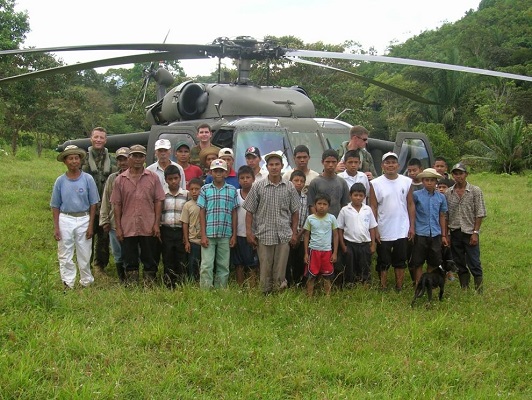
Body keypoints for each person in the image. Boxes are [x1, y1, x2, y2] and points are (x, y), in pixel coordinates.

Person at [243, 151, 300, 294]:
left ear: (282, 166)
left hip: (283, 235)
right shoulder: (258, 186)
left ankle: (278, 295)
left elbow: (295, 212)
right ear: (266, 167)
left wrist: (294, 233)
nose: (274, 167)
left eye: (277, 164)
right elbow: (249, 211)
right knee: (265, 269)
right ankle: (264, 296)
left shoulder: (289, 187)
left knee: (280, 270)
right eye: (271, 165)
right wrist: (249, 232)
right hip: (264, 234)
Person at [111, 145, 166, 284]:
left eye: (140, 156)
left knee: (149, 257)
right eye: (134, 156)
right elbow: (116, 204)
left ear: (145, 158)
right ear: (129, 157)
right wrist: (118, 227)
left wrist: (156, 223)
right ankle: (132, 285)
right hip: (128, 225)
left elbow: (158, 200)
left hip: (148, 225)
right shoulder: (120, 179)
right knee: (130, 258)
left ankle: (150, 284)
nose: (137, 159)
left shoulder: (152, 177)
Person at [51, 145, 99, 290]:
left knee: (84, 252)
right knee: (65, 253)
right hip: (65, 218)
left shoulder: (88, 179)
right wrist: (56, 227)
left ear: (80, 160)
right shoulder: (60, 181)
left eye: (76, 158)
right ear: (65, 161)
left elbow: (93, 204)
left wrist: (91, 225)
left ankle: (86, 281)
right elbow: (55, 205)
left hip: (84, 218)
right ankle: (68, 282)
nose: (74, 161)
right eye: (70, 158)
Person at [370, 152, 415, 291]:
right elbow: (373, 206)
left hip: (402, 228)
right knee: (383, 259)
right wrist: (375, 229)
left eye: (393, 162)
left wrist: (412, 226)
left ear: (398, 165)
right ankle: (383, 286)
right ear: (382, 165)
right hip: (383, 228)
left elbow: (410, 204)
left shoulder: (406, 181)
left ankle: (399, 286)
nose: (390, 165)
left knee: (400, 260)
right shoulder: (375, 183)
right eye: (387, 162)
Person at [445, 163, 487, 292]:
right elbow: (446, 215)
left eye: (461, 173)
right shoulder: (448, 192)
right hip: (455, 231)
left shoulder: (475, 191)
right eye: (455, 174)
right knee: (459, 261)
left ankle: (479, 289)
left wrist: (475, 232)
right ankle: (464, 287)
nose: (458, 176)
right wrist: (447, 234)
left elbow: (479, 213)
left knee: (474, 261)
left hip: (469, 232)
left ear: (466, 174)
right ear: (453, 175)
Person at [197, 159, 238, 289]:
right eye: (215, 171)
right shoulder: (205, 189)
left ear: (226, 173)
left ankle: (221, 290)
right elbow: (202, 212)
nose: (218, 173)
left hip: (225, 233)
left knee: (223, 265)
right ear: (211, 173)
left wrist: (234, 235)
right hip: (209, 233)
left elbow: (234, 213)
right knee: (207, 264)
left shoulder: (232, 190)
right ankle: (205, 290)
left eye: (221, 171)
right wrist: (203, 235)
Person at [81, 126, 117, 273]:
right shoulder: (83, 159)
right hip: (87, 205)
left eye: (101, 137)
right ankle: (85, 264)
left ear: (105, 140)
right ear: (91, 138)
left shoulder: (112, 160)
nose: (98, 140)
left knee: (103, 237)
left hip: (105, 205)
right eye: (96, 137)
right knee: (87, 235)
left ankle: (99, 266)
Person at [410, 168, 449, 284]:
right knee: (418, 261)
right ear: (422, 181)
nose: (429, 183)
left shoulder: (441, 197)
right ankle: (418, 283)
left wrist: (443, 235)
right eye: (427, 180)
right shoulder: (416, 195)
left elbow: (442, 215)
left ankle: (429, 282)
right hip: (420, 232)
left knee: (433, 260)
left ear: (436, 181)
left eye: (432, 180)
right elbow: (411, 212)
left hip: (435, 233)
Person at [337, 183, 377, 286]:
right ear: (350, 196)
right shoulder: (345, 210)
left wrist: (373, 244)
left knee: (365, 265)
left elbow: (372, 227)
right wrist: (343, 245)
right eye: (355, 195)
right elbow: (340, 229)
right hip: (350, 244)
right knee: (350, 266)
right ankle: (350, 285)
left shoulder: (367, 209)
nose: (358, 198)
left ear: (364, 197)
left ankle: (365, 285)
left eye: (361, 196)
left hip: (364, 244)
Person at [99, 146, 130, 282]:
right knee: (117, 253)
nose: (123, 162)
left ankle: (131, 277)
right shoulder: (112, 178)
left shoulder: (138, 176)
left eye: (125, 159)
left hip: (131, 223)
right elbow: (105, 199)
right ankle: (122, 278)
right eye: (120, 160)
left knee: (131, 252)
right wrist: (104, 220)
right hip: (113, 222)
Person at [303, 193, 338, 297]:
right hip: (313, 251)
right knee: (311, 275)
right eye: (319, 203)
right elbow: (306, 236)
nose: (322, 206)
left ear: (328, 206)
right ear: (315, 205)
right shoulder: (310, 218)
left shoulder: (332, 218)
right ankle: (309, 296)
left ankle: (327, 297)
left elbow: (336, 235)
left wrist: (335, 253)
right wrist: (306, 253)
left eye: (325, 204)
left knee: (327, 276)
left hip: (327, 251)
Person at [160, 165, 189, 288]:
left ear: (180, 178)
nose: (173, 181)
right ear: (166, 179)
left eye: (176, 178)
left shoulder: (186, 194)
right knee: (167, 257)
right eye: (170, 179)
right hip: (166, 230)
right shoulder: (162, 195)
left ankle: (181, 283)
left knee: (181, 257)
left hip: (180, 230)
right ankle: (168, 284)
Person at [232, 166, 259, 286]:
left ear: (253, 179)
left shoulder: (257, 193)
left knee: (252, 263)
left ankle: (252, 287)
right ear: (238, 180)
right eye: (242, 178)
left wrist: (255, 233)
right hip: (238, 233)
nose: (245, 180)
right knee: (239, 263)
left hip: (252, 234)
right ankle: (240, 287)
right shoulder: (235, 193)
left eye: (248, 177)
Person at [307, 149, 350, 218]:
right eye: (328, 162)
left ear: (338, 162)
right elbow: (311, 205)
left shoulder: (342, 182)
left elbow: (345, 205)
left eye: (333, 162)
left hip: (337, 223)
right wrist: (318, 220)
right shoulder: (315, 182)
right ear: (322, 162)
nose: (330, 165)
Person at [285, 170, 308, 287]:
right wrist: (291, 234)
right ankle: (288, 283)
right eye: (296, 181)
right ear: (290, 182)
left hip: (301, 236)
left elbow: (307, 219)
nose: (299, 183)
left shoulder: (306, 198)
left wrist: (298, 236)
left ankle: (299, 283)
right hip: (287, 235)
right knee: (287, 261)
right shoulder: (285, 197)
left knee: (299, 261)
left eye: (302, 181)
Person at [181, 178, 203, 282]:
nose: (194, 191)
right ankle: (193, 283)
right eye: (192, 189)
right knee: (193, 264)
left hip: (205, 240)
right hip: (193, 240)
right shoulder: (187, 205)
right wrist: (186, 241)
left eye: (197, 189)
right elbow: (185, 223)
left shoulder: (206, 203)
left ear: (202, 189)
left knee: (204, 264)